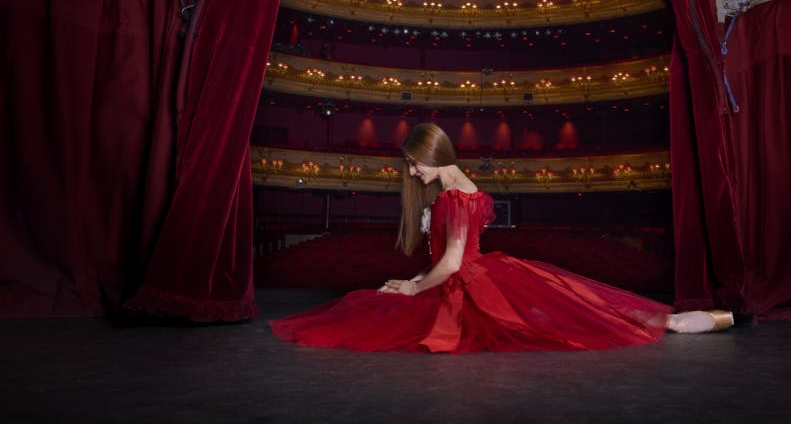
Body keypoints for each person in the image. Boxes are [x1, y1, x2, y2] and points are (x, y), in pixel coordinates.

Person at [270, 123, 734, 353]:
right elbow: (451, 257)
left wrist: (414, 285)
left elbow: (452, 264)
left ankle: (698, 321)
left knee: (364, 309)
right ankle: (712, 319)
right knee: (582, 311)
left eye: (415, 163)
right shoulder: (469, 190)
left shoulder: (453, 196)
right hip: (482, 275)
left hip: (467, 283)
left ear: (434, 154)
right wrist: (414, 279)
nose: (413, 172)